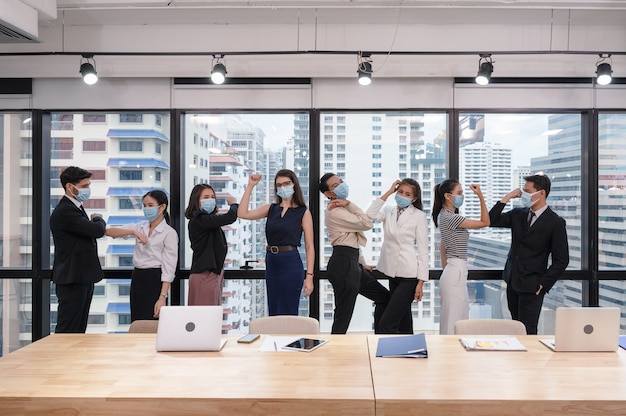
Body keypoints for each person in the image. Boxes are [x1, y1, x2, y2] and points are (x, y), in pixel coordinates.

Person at [489, 173, 569, 335]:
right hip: (512, 282)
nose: (523, 194)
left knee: (529, 330)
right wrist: (507, 197)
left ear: (541, 193)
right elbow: (491, 220)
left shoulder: (555, 222)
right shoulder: (518, 214)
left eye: (527, 191)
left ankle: (530, 360)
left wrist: (543, 284)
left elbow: (562, 260)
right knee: (516, 328)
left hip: (533, 286)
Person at [319, 173, 390, 334]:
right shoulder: (335, 211)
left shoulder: (342, 208)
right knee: (343, 315)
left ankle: (381, 337)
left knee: (383, 298)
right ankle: (334, 354)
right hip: (343, 264)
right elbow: (366, 223)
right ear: (328, 194)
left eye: (341, 181)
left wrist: (362, 263)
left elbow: (353, 240)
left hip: (352, 263)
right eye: (335, 185)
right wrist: (350, 203)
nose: (342, 185)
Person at [237, 169, 314, 316]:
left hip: (291, 262)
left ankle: (292, 340)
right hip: (272, 262)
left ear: (294, 185)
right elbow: (242, 213)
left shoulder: (303, 212)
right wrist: (250, 186)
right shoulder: (270, 209)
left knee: (290, 311)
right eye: (279, 185)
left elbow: (310, 247)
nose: (283, 187)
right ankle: (276, 339)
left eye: (287, 183)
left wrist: (309, 277)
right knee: (274, 310)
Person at [366, 178, 429, 334]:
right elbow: (370, 214)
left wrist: (420, 283)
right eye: (400, 192)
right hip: (392, 272)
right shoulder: (389, 210)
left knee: (387, 324)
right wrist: (388, 192)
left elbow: (423, 251)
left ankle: (387, 353)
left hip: (409, 275)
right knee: (403, 320)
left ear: (414, 198)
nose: (402, 195)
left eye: (407, 194)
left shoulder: (418, 216)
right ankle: (410, 352)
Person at [105, 190, 178, 322]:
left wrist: (162, 297)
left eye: (150, 205)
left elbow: (169, 267)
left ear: (162, 207)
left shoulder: (169, 233)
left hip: (156, 279)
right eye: (144, 205)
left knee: (153, 322)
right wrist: (133, 232)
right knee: (137, 320)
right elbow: (109, 232)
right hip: (138, 277)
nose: (146, 209)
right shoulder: (140, 227)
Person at [50, 166, 106, 333]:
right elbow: (97, 230)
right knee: (68, 329)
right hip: (72, 279)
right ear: (69, 186)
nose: (87, 190)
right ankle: (61, 359)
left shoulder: (75, 207)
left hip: (81, 276)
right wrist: (98, 219)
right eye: (84, 186)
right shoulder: (66, 211)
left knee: (78, 328)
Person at [432, 179, 490, 335]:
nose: (461, 196)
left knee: (457, 322)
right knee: (454, 325)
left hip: (454, 271)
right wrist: (480, 196)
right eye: (459, 193)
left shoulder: (444, 216)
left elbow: (442, 247)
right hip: (455, 270)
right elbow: (485, 222)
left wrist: (448, 270)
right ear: (448, 196)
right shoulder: (452, 218)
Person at [184, 184, 238, 305]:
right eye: (206, 197)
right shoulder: (199, 219)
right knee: (203, 319)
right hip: (204, 275)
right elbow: (230, 217)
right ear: (196, 201)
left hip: (213, 275)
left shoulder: (208, 220)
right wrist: (234, 204)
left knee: (212, 317)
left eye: (212, 197)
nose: (210, 200)